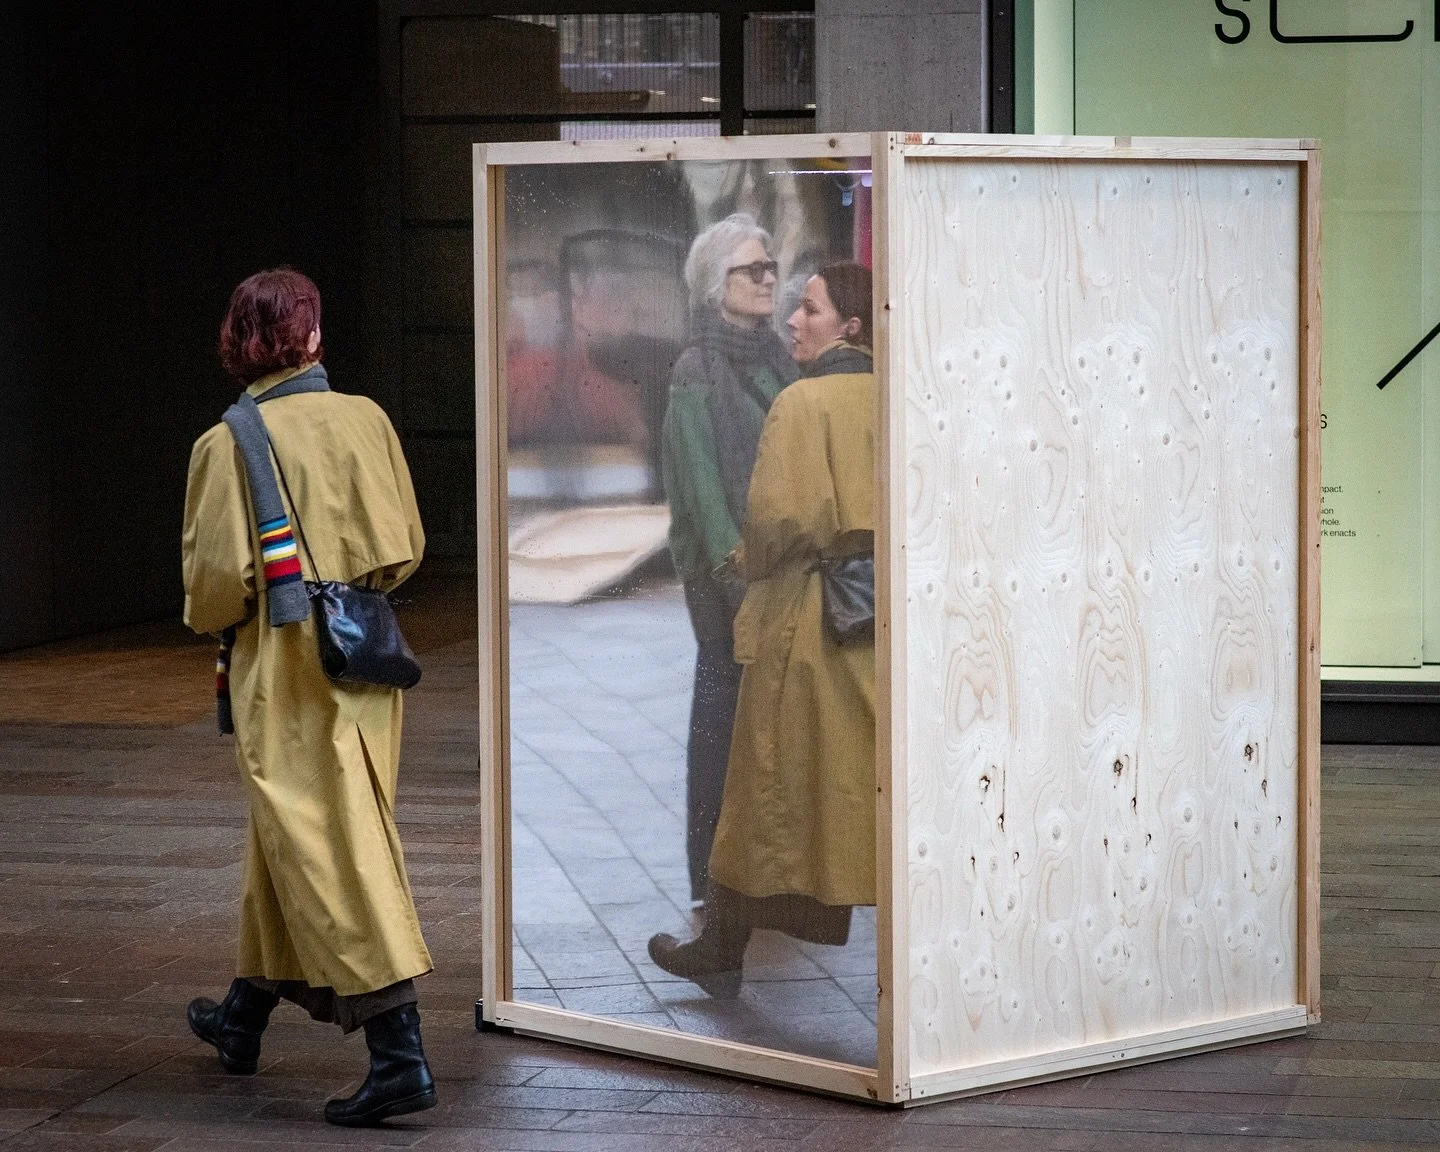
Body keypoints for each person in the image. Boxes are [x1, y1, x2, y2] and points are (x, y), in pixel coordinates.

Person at [181, 269, 436, 1126]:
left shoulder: (229, 443)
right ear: (314, 336)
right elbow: (406, 546)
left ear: (240, 341)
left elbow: (215, 589)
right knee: (296, 832)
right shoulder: (368, 419)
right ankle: (241, 1019)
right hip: (367, 655)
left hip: (287, 666)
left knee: (327, 842)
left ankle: (399, 1054)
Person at [649, 261, 876, 996]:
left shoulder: (803, 406)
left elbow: (776, 521)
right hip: (880, 620)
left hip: (804, 627)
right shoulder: (903, 397)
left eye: (810, 308)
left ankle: (721, 942)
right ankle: (722, 942)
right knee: (864, 792)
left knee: (763, 792)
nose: (793, 320)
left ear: (851, 326)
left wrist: (743, 559)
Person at [661, 214, 799, 903]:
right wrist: (731, 564)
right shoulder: (696, 368)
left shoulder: (778, 356)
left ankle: (768, 872)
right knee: (720, 720)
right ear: (719, 284)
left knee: (772, 722)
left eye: (770, 266)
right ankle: (711, 877)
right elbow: (698, 482)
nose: (769, 277)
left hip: (782, 568)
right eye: (753, 269)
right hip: (727, 576)